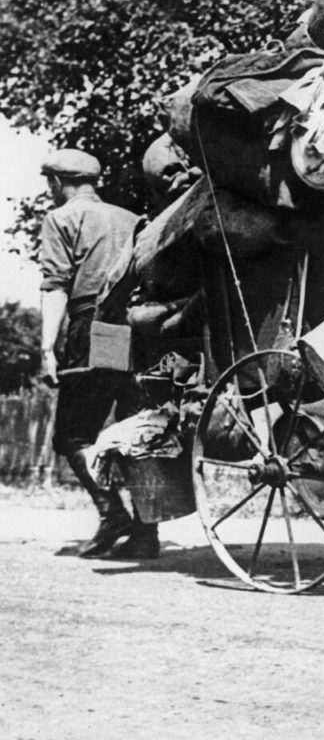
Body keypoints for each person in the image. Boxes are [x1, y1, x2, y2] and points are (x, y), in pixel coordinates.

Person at [38, 148, 159, 559]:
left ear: (57, 183)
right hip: (141, 327)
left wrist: (46, 347)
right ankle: (146, 534)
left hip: (96, 325)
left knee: (74, 432)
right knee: (136, 429)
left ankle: (113, 514)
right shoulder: (131, 219)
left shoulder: (60, 218)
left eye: (49, 184)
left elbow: (55, 285)